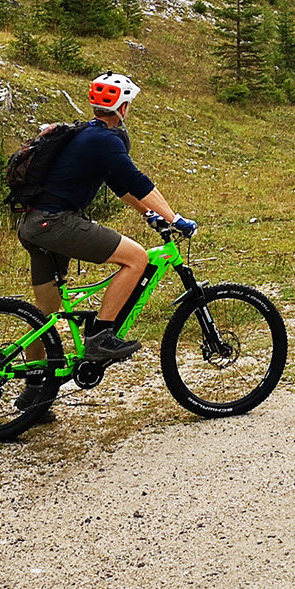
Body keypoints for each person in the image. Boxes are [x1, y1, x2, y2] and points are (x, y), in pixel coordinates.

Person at [15, 72, 197, 409]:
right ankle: (100, 335)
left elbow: (121, 187)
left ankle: (34, 394)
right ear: (123, 108)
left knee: (46, 312)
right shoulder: (106, 140)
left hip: (33, 225)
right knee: (136, 258)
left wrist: (148, 214)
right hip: (55, 224)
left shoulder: (87, 135)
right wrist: (175, 218)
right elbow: (138, 182)